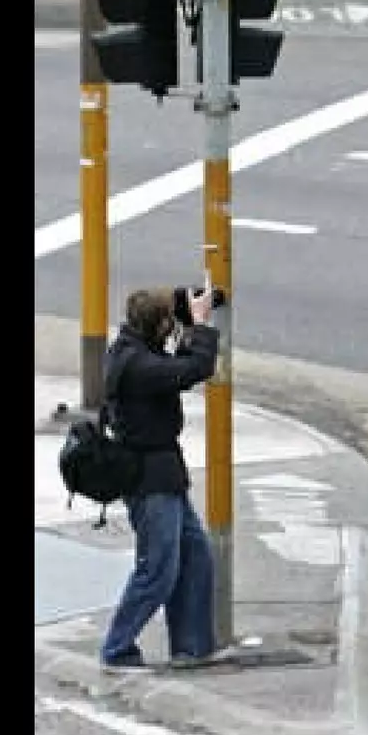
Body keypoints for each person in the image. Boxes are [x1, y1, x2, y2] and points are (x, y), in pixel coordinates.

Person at [97, 284, 233, 671]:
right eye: (169, 323)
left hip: (164, 478)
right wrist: (202, 327)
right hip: (150, 482)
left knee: (195, 557)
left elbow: (169, 325)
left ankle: (191, 648)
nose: (173, 328)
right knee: (158, 569)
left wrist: (199, 299)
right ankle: (117, 648)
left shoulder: (132, 346)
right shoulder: (138, 367)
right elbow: (193, 368)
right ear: (156, 326)